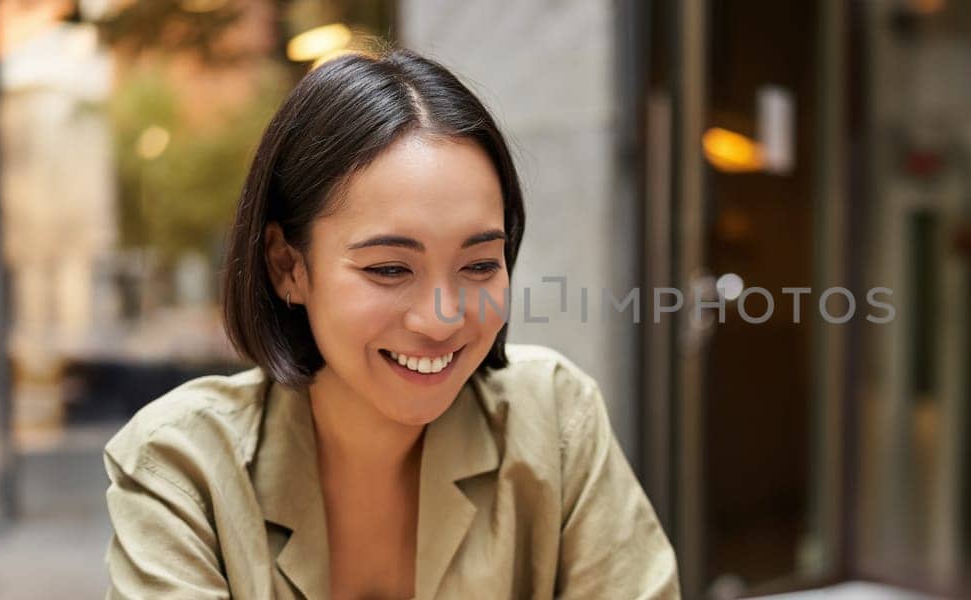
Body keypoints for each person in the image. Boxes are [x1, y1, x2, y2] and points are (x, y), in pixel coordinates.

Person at [102, 48, 678, 599]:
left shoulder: (555, 421)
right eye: (389, 268)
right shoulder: (183, 466)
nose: (440, 318)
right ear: (287, 266)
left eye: (479, 264)